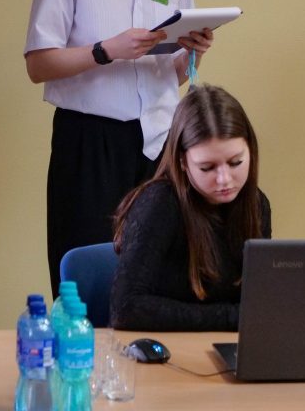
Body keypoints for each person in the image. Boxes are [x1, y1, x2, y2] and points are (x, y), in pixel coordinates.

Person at [24, 0, 213, 297]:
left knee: (157, 273)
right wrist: (106, 51)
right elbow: (38, 64)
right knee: (85, 273)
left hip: (159, 140)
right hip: (90, 140)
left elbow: (171, 75)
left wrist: (192, 52)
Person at [109, 84, 271, 330]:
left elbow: (257, 300)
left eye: (236, 162)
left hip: (229, 345)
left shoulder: (256, 204)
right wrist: (232, 317)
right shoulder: (160, 203)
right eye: (207, 167)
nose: (224, 179)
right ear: (183, 161)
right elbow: (125, 309)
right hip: (166, 348)